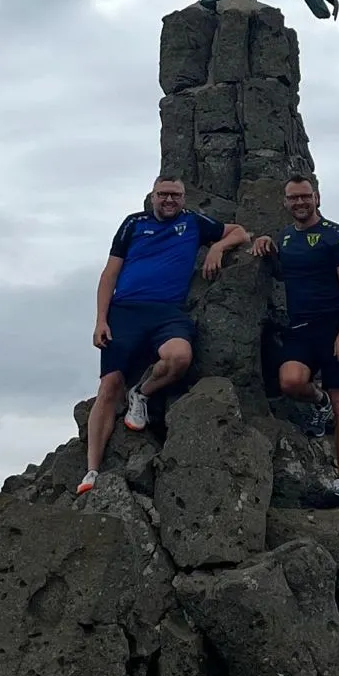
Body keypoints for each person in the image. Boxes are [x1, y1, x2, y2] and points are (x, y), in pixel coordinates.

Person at [78, 176, 248, 494]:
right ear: (153, 196)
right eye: (163, 194)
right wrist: (101, 320)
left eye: (175, 195)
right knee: (109, 385)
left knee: (179, 356)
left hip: (167, 312)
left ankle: (141, 393)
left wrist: (218, 247)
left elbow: (240, 231)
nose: (169, 200)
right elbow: (110, 273)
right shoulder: (133, 224)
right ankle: (92, 471)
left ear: (184, 198)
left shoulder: (193, 222)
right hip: (125, 311)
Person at [252, 171, 339, 503]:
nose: (300, 202)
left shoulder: (336, 236)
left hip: (335, 327)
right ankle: (318, 402)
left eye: (305, 196)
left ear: (317, 198)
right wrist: (265, 245)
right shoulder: (285, 237)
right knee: (290, 381)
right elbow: (282, 270)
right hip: (301, 327)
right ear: (285, 203)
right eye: (293, 197)